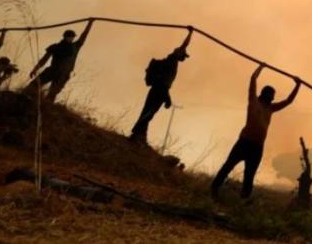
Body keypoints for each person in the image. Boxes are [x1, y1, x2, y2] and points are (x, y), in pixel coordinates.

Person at [211, 64, 301, 200]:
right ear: (264, 95)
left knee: (249, 175)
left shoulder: (271, 108)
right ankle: (214, 189)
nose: (271, 98)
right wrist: (261, 67)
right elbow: (253, 78)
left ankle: (243, 200)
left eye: (272, 96)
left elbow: (288, 101)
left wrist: (297, 85)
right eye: (270, 95)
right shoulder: (253, 101)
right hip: (244, 142)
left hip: (257, 147)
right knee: (228, 166)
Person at [129, 27, 193, 144]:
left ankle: (140, 136)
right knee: (149, 113)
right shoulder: (172, 61)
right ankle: (136, 133)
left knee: (148, 112)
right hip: (160, 90)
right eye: (183, 54)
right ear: (178, 53)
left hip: (158, 89)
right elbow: (184, 45)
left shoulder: (171, 61)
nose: (184, 57)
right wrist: (190, 33)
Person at [27, 19, 95, 102]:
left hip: (64, 74)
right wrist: (35, 70)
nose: (71, 39)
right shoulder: (55, 47)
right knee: (32, 87)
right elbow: (44, 60)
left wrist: (90, 23)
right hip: (52, 70)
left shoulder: (75, 47)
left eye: (72, 37)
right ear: (65, 37)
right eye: (70, 37)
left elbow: (84, 36)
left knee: (52, 95)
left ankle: (46, 107)